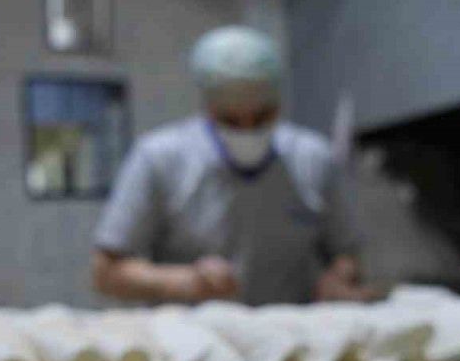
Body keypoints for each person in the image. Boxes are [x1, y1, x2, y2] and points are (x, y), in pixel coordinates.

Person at [92, 26, 371, 305]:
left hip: (285, 327)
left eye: (260, 116)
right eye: (231, 120)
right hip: (192, 329)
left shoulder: (314, 158)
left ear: (278, 103)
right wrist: (184, 281)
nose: (247, 127)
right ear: (208, 106)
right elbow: (106, 271)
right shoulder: (158, 158)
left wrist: (338, 279)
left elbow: (347, 252)